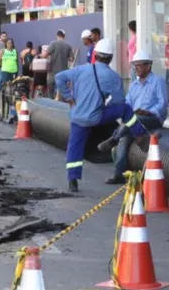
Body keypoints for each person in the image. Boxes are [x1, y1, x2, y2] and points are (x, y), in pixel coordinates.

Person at [53, 38, 149, 193]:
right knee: (125, 109)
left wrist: (69, 97)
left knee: (74, 146)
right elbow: (119, 101)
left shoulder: (80, 70)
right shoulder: (113, 77)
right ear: (110, 58)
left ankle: (73, 179)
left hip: (77, 117)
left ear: (95, 54)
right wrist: (105, 106)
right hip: (96, 117)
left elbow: (59, 78)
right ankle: (139, 135)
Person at [101, 50, 168, 184]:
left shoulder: (158, 82)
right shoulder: (134, 85)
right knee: (124, 139)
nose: (135, 68)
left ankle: (113, 138)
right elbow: (128, 102)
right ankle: (119, 173)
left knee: (133, 120)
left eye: (139, 65)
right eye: (134, 65)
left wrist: (150, 111)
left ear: (148, 65)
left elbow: (163, 103)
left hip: (152, 119)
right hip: (135, 120)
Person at [46, 30, 73, 99]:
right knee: (62, 90)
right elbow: (71, 59)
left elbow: (46, 54)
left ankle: (50, 105)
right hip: (63, 72)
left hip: (52, 72)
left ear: (57, 35)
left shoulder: (52, 43)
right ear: (64, 36)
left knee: (50, 91)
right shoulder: (68, 46)